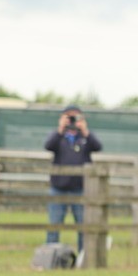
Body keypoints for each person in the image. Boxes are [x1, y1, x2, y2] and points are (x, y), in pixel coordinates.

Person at [44, 105, 101, 253]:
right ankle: (50, 256)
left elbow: (98, 146)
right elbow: (48, 145)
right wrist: (60, 128)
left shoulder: (84, 138)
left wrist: (85, 131)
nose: (72, 120)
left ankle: (84, 257)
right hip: (58, 189)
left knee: (83, 226)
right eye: (69, 117)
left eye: (75, 117)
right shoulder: (59, 137)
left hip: (80, 189)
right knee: (54, 226)